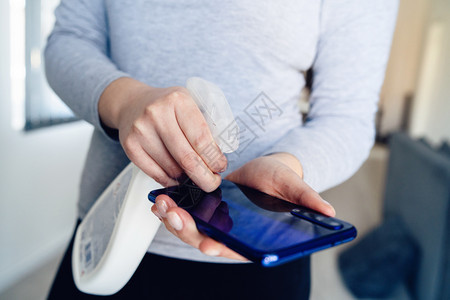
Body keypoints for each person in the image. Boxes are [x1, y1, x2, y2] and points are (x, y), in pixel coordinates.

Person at [45, 1, 398, 299]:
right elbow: (69, 40)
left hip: (252, 255)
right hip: (109, 229)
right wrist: (126, 102)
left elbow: (346, 115)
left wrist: (286, 165)